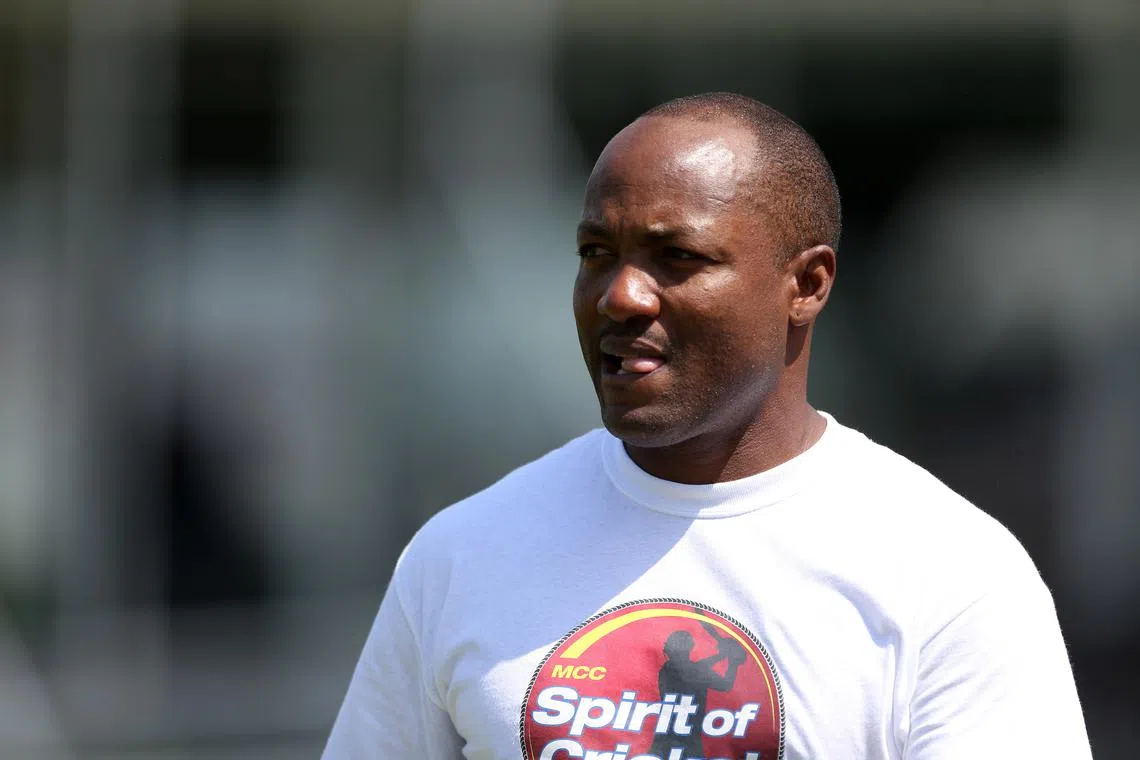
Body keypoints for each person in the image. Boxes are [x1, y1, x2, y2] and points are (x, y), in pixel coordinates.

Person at [322, 93, 1091, 759]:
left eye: (678, 257)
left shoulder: (948, 574)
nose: (621, 295)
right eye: (596, 252)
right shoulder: (460, 556)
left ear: (807, 284)